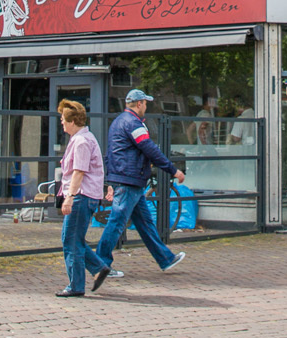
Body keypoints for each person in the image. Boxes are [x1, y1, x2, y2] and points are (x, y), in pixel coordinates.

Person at [93, 88, 187, 288]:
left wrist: (110, 180)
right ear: (139, 104)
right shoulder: (133, 123)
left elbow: (111, 153)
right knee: (117, 222)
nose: (146, 106)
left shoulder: (118, 121)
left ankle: (165, 258)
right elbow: (149, 148)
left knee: (145, 223)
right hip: (129, 180)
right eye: (145, 103)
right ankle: (100, 265)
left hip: (128, 180)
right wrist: (172, 170)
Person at [54, 99, 108, 297]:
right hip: (84, 195)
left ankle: (76, 285)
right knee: (74, 239)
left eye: (63, 118)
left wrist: (69, 197)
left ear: (72, 121)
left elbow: (79, 172)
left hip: (81, 196)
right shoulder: (81, 139)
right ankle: (99, 268)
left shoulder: (82, 142)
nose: (61, 122)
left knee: (70, 241)